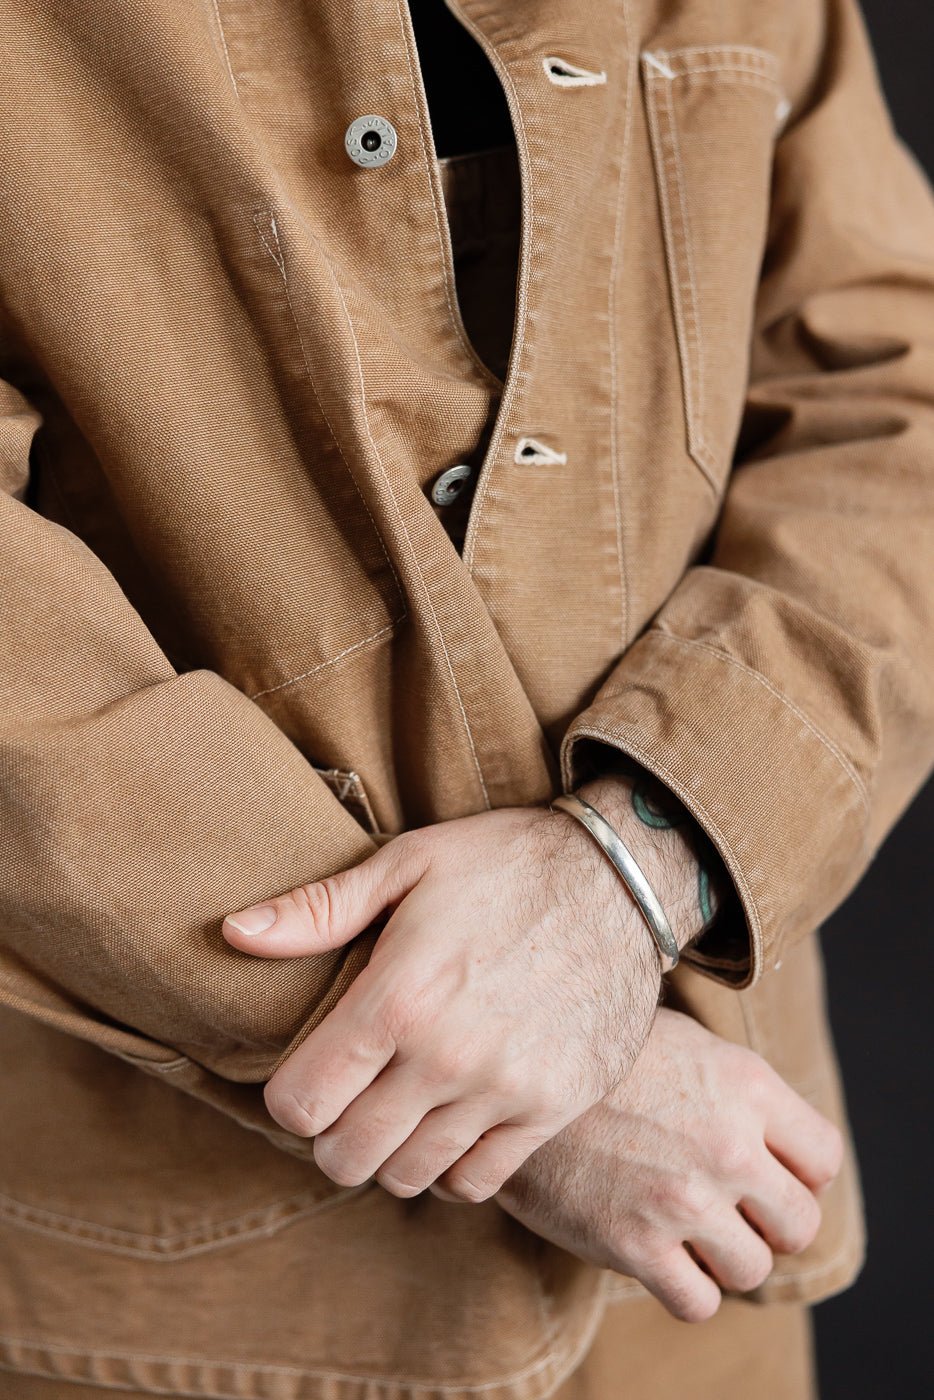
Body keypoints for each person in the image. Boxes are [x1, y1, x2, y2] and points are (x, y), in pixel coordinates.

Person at [0, 0, 931, 1397]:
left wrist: (643, 862)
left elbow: (892, 386)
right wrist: (549, 1077)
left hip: (696, 1242)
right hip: (188, 1302)